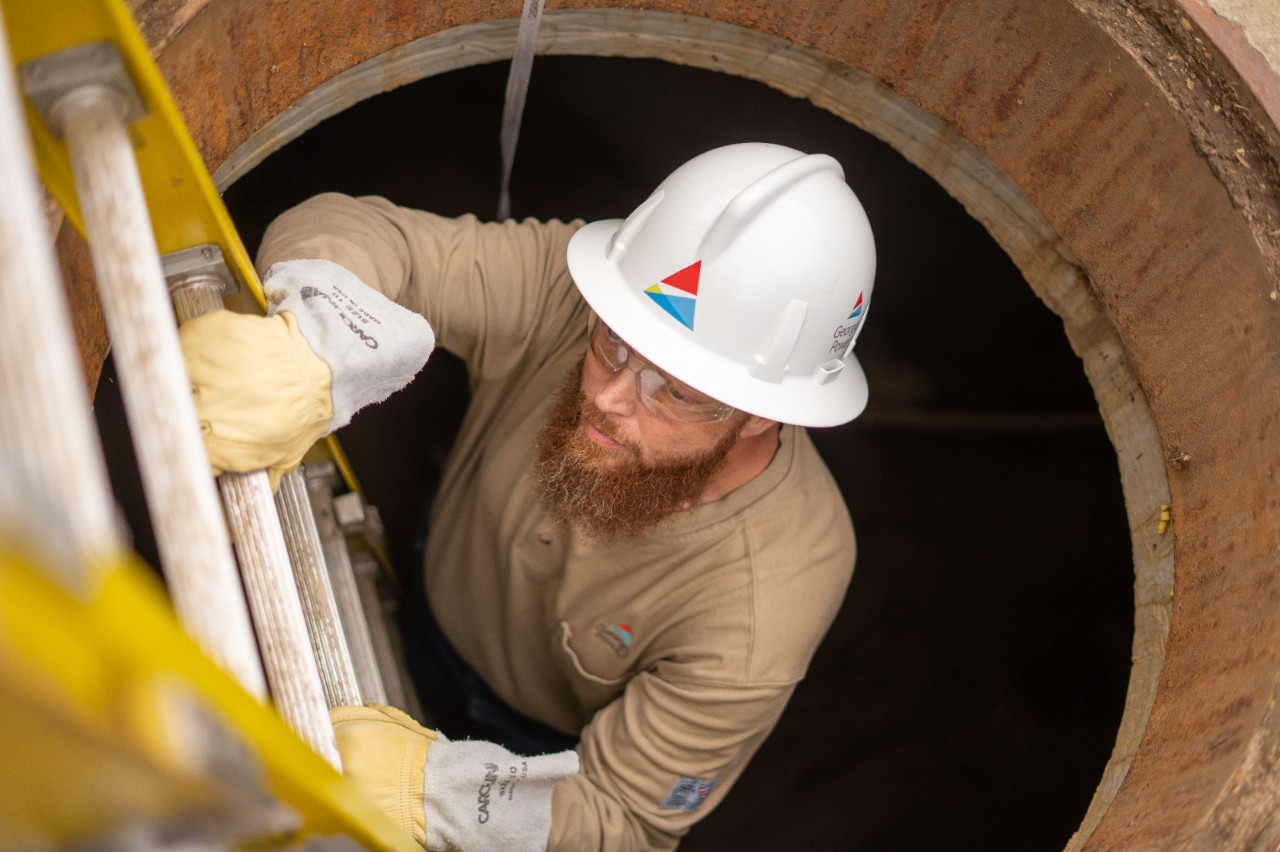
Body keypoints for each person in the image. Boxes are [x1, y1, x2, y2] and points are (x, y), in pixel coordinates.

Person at [180, 143, 877, 851]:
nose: (604, 396)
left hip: (538, 747)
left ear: (763, 414)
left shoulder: (769, 596)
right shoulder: (573, 297)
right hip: (429, 599)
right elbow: (365, 233)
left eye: (673, 390)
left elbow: (623, 819)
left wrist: (439, 796)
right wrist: (316, 341)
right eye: (615, 344)